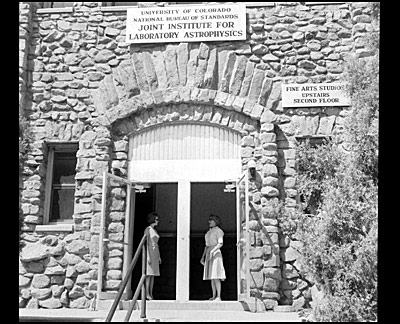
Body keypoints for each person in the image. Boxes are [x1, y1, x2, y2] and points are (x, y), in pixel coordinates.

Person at [200, 214, 226, 301]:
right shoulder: (208, 232)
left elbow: (220, 243)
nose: (209, 222)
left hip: (215, 253)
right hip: (209, 253)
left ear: (216, 221)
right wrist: (203, 257)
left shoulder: (218, 231)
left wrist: (213, 251)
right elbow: (206, 245)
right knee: (211, 276)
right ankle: (213, 295)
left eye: (211, 220)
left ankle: (219, 296)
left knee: (216, 275)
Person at [144, 212, 161, 300]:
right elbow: (146, 243)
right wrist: (148, 256)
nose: (158, 221)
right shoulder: (148, 229)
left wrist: (158, 256)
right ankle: (147, 293)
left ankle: (151, 292)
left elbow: (156, 243)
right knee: (149, 274)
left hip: (155, 251)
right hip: (150, 251)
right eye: (156, 219)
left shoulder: (154, 230)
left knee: (153, 274)